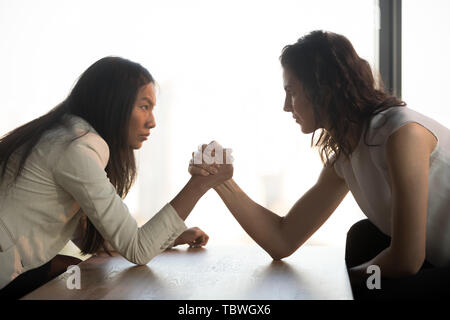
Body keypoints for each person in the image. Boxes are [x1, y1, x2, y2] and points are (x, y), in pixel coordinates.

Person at [189, 30, 450, 300]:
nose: (286, 106)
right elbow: (283, 239)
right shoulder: (347, 156)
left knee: (371, 258)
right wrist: (221, 181)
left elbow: (407, 259)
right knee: (364, 238)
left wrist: (343, 281)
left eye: (291, 92)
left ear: (323, 89)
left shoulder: (402, 135)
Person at [0, 56, 233, 299]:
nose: (152, 122)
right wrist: (200, 183)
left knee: (77, 272)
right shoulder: (77, 147)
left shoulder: (61, 134)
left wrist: (168, 238)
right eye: (144, 107)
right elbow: (137, 250)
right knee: (79, 277)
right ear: (112, 104)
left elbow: (95, 239)